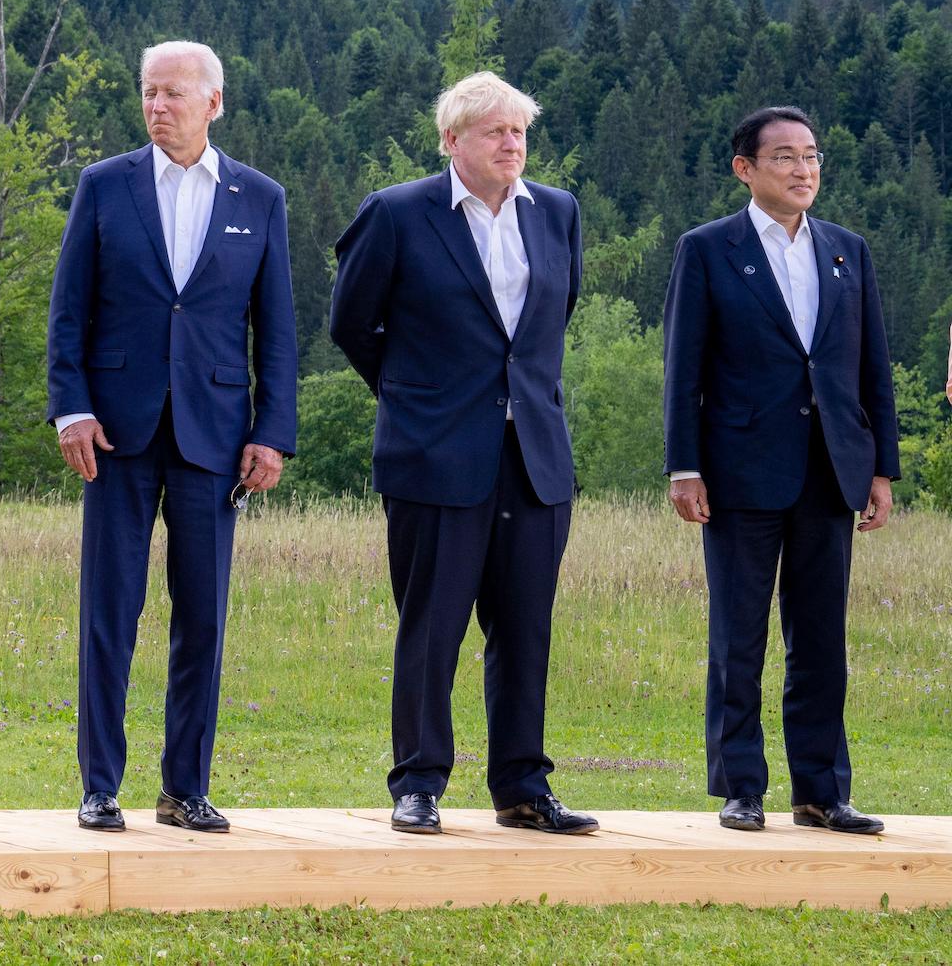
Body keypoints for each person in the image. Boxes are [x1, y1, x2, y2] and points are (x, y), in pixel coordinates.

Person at [327, 71, 595, 838]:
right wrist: (417, 395)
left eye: (520, 132)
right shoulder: (398, 213)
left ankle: (523, 788)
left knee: (524, 629)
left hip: (535, 457)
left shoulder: (558, 214)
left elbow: (553, 318)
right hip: (435, 456)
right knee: (433, 625)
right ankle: (418, 783)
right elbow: (353, 323)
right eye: (495, 132)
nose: (512, 144)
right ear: (453, 141)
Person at [46, 41, 296, 833]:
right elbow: (67, 311)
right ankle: (99, 785)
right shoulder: (104, 185)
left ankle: (184, 787)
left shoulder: (259, 198)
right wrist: (70, 407)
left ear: (213, 103)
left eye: (174, 94)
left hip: (214, 436)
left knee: (204, 617)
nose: (158, 106)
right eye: (149, 93)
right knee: (109, 611)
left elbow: (278, 330)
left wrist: (273, 432)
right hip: (115, 433)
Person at [663, 106, 900, 835]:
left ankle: (823, 792)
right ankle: (741, 786)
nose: (804, 171)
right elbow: (684, 367)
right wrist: (684, 465)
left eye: (812, 157)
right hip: (738, 470)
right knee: (739, 635)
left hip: (834, 468)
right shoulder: (708, 250)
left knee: (822, 637)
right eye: (787, 158)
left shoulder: (846, 251)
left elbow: (871, 367)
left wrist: (882, 468)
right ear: (745, 169)